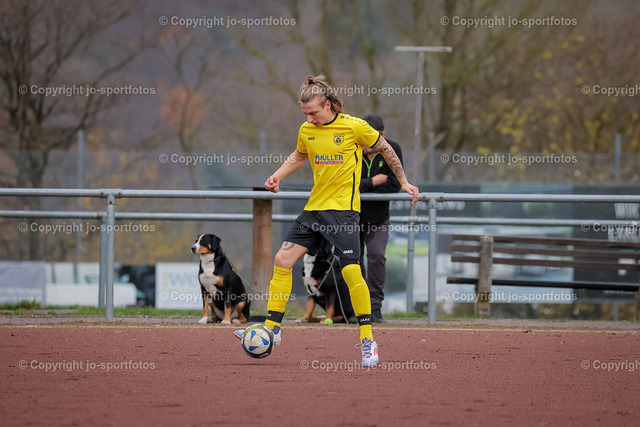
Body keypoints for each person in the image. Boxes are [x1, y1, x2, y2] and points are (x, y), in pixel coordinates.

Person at [235, 74, 420, 367]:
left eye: (313, 113)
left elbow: (385, 148)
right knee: (283, 260)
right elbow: (299, 155)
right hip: (314, 210)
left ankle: (368, 340)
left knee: (351, 271)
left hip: (344, 213)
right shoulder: (307, 129)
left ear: (328, 105)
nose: (309, 119)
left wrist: (405, 182)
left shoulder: (354, 126)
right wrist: (277, 176)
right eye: (305, 114)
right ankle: (272, 330)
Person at [359, 115, 402, 323]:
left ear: (382, 135)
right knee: (352, 261)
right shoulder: (351, 149)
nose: (367, 142)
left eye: (372, 137)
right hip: (351, 217)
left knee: (376, 257)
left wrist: (363, 186)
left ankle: (375, 308)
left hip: (379, 219)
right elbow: (346, 184)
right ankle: (356, 309)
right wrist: (373, 182)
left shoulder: (392, 149)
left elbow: (394, 186)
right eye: (363, 137)